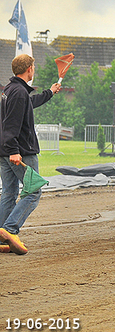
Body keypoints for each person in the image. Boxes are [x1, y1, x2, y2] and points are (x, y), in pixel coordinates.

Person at [0, 54, 61, 255]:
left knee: (9, 193)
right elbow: (10, 126)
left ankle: (1, 236)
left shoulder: (11, 90)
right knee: (33, 192)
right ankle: (10, 230)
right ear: (29, 69)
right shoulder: (18, 92)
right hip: (20, 152)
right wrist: (14, 151)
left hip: (5, 152)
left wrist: (49, 93)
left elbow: (28, 105)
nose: (34, 69)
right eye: (34, 66)